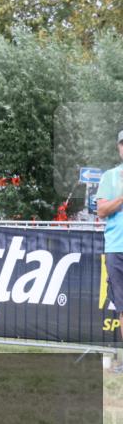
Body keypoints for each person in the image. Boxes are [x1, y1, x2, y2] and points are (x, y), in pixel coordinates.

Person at [96, 129, 123, 369]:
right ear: (119, 148)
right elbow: (102, 211)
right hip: (117, 248)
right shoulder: (109, 177)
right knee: (122, 306)